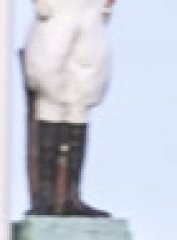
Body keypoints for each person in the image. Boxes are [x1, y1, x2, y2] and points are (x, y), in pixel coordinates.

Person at [23, 0, 114, 217]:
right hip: (58, 11)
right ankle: (46, 195)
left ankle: (70, 196)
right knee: (50, 86)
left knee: (83, 95)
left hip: (90, 14)